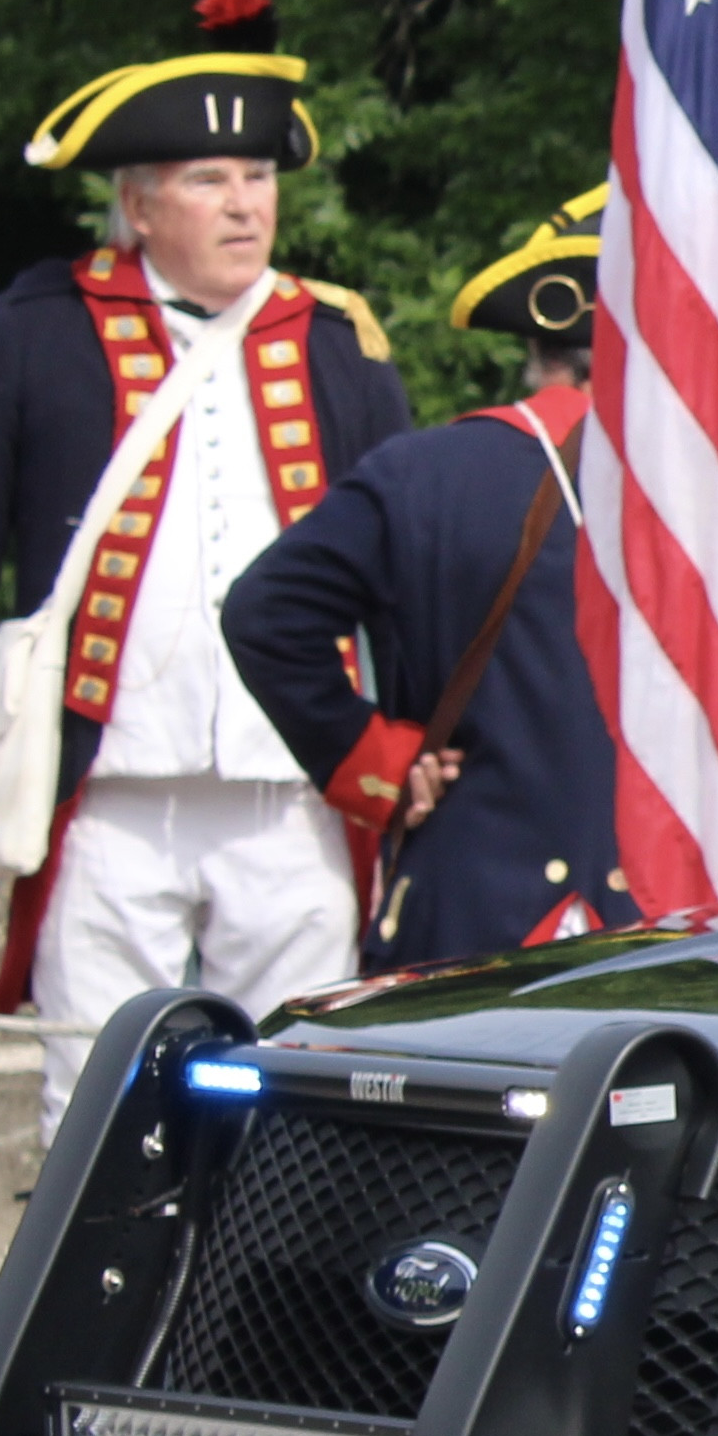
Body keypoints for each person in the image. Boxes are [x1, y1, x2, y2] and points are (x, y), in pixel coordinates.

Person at [0, 0, 413, 1116]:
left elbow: (410, 572)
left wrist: (409, 744)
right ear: (137, 205)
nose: (245, 206)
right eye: (208, 182)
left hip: (294, 790)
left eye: (258, 179)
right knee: (95, 1095)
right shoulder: (37, 331)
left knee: (301, 1094)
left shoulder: (338, 341)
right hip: (109, 792)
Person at [220, 186, 632, 969]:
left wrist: (376, 758)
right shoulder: (714, 494)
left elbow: (264, 613)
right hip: (673, 912)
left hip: (465, 910)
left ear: (536, 342)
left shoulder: (425, 473)